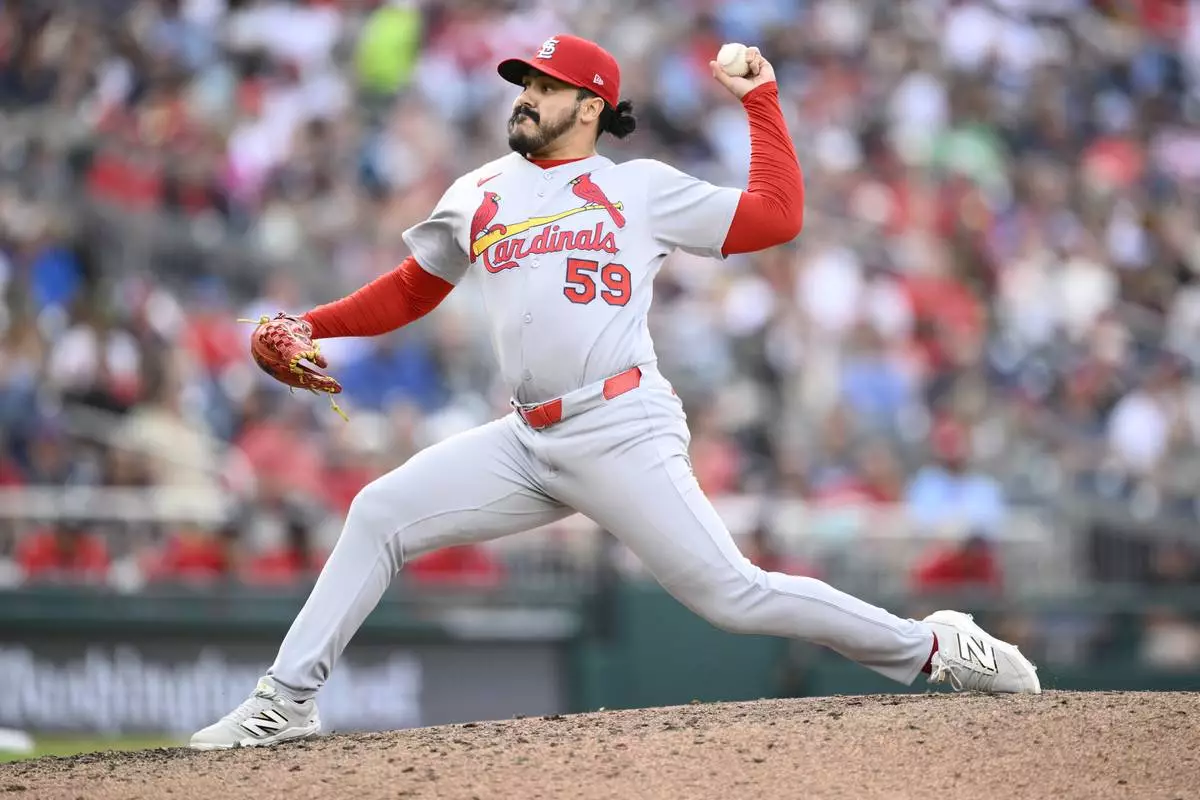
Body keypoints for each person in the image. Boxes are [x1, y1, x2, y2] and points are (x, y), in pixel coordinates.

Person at [190, 35, 1040, 750]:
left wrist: (761, 101)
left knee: (733, 595)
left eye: (545, 85)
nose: (526, 96)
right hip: (525, 439)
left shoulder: (641, 189)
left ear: (590, 105)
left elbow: (777, 216)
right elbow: (415, 288)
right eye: (523, 82)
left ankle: (934, 646)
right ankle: (286, 701)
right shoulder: (479, 191)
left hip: (620, 426)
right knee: (379, 511)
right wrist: (311, 324)